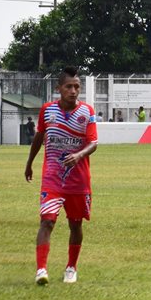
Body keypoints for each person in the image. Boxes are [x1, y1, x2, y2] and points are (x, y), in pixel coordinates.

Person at [24, 67, 98, 285]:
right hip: (52, 178)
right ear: (59, 89)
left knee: (75, 225)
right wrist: (29, 163)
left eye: (77, 87)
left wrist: (79, 155)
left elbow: (93, 142)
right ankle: (41, 270)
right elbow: (39, 137)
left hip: (78, 181)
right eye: (69, 86)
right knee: (47, 221)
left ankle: (71, 267)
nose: (73, 91)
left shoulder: (87, 112)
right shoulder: (47, 111)